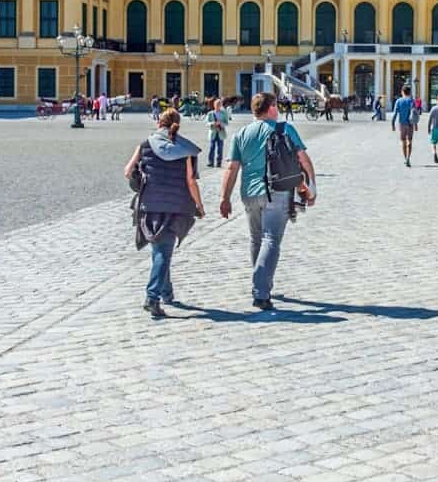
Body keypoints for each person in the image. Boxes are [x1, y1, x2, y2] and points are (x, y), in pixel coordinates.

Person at [218, 92, 317, 310]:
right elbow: (302, 158)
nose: (279, 108)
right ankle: (261, 292)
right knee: (271, 239)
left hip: (249, 193)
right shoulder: (284, 129)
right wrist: (311, 186)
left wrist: (225, 198)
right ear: (271, 107)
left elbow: (232, 168)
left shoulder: (241, 133)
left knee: (256, 239)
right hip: (276, 191)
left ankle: (262, 283)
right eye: (277, 105)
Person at [125, 108, 204, 316]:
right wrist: (199, 205)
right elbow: (190, 181)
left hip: (149, 205)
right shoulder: (185, 149)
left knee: (160, 251)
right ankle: (152, 297)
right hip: (175, 207)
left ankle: (167, 293)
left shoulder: (144, 145)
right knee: (163, 252)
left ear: (159, 123)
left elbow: (127, 171)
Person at [392, 85, 418, 166]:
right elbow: (414, 113)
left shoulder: (399, 101)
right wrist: (416, 124)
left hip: (402, 124)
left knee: (403, 141)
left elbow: (395, 114)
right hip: (410, 124)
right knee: (410, 140)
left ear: (402, 92)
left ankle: (405, 158)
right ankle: (408, 158)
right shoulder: (412, 101)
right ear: (409, 92)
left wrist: (392, 123)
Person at [206, 96, 230, 169]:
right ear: (214, 105)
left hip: (221, 133)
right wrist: (212, 123)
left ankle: (219, 163)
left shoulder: (224, 113)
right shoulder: (210, 113)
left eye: (219, 105)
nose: (218, 106)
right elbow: (207, 123)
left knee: (220, 148)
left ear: (221, 105)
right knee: (211, 147)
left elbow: (227, 123)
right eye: (216, 105)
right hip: (213, 133)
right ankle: (210, 162)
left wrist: (221, 124)